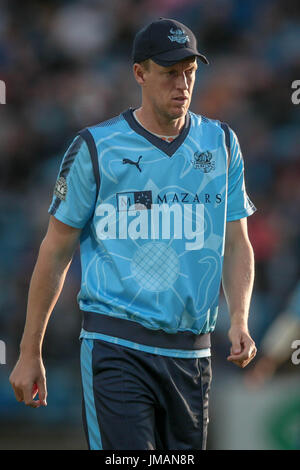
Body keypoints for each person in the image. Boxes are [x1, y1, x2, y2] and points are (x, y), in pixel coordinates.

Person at [9, 18, 257, 450]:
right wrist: (31, 352)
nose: (182, 84)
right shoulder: (95, 148)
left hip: (193, 355)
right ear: (139, 74)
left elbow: (237, 242)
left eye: (190, 73)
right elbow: (55, 253)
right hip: (116, 346)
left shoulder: (221, 144)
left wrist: (239, 318)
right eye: (169, 73)